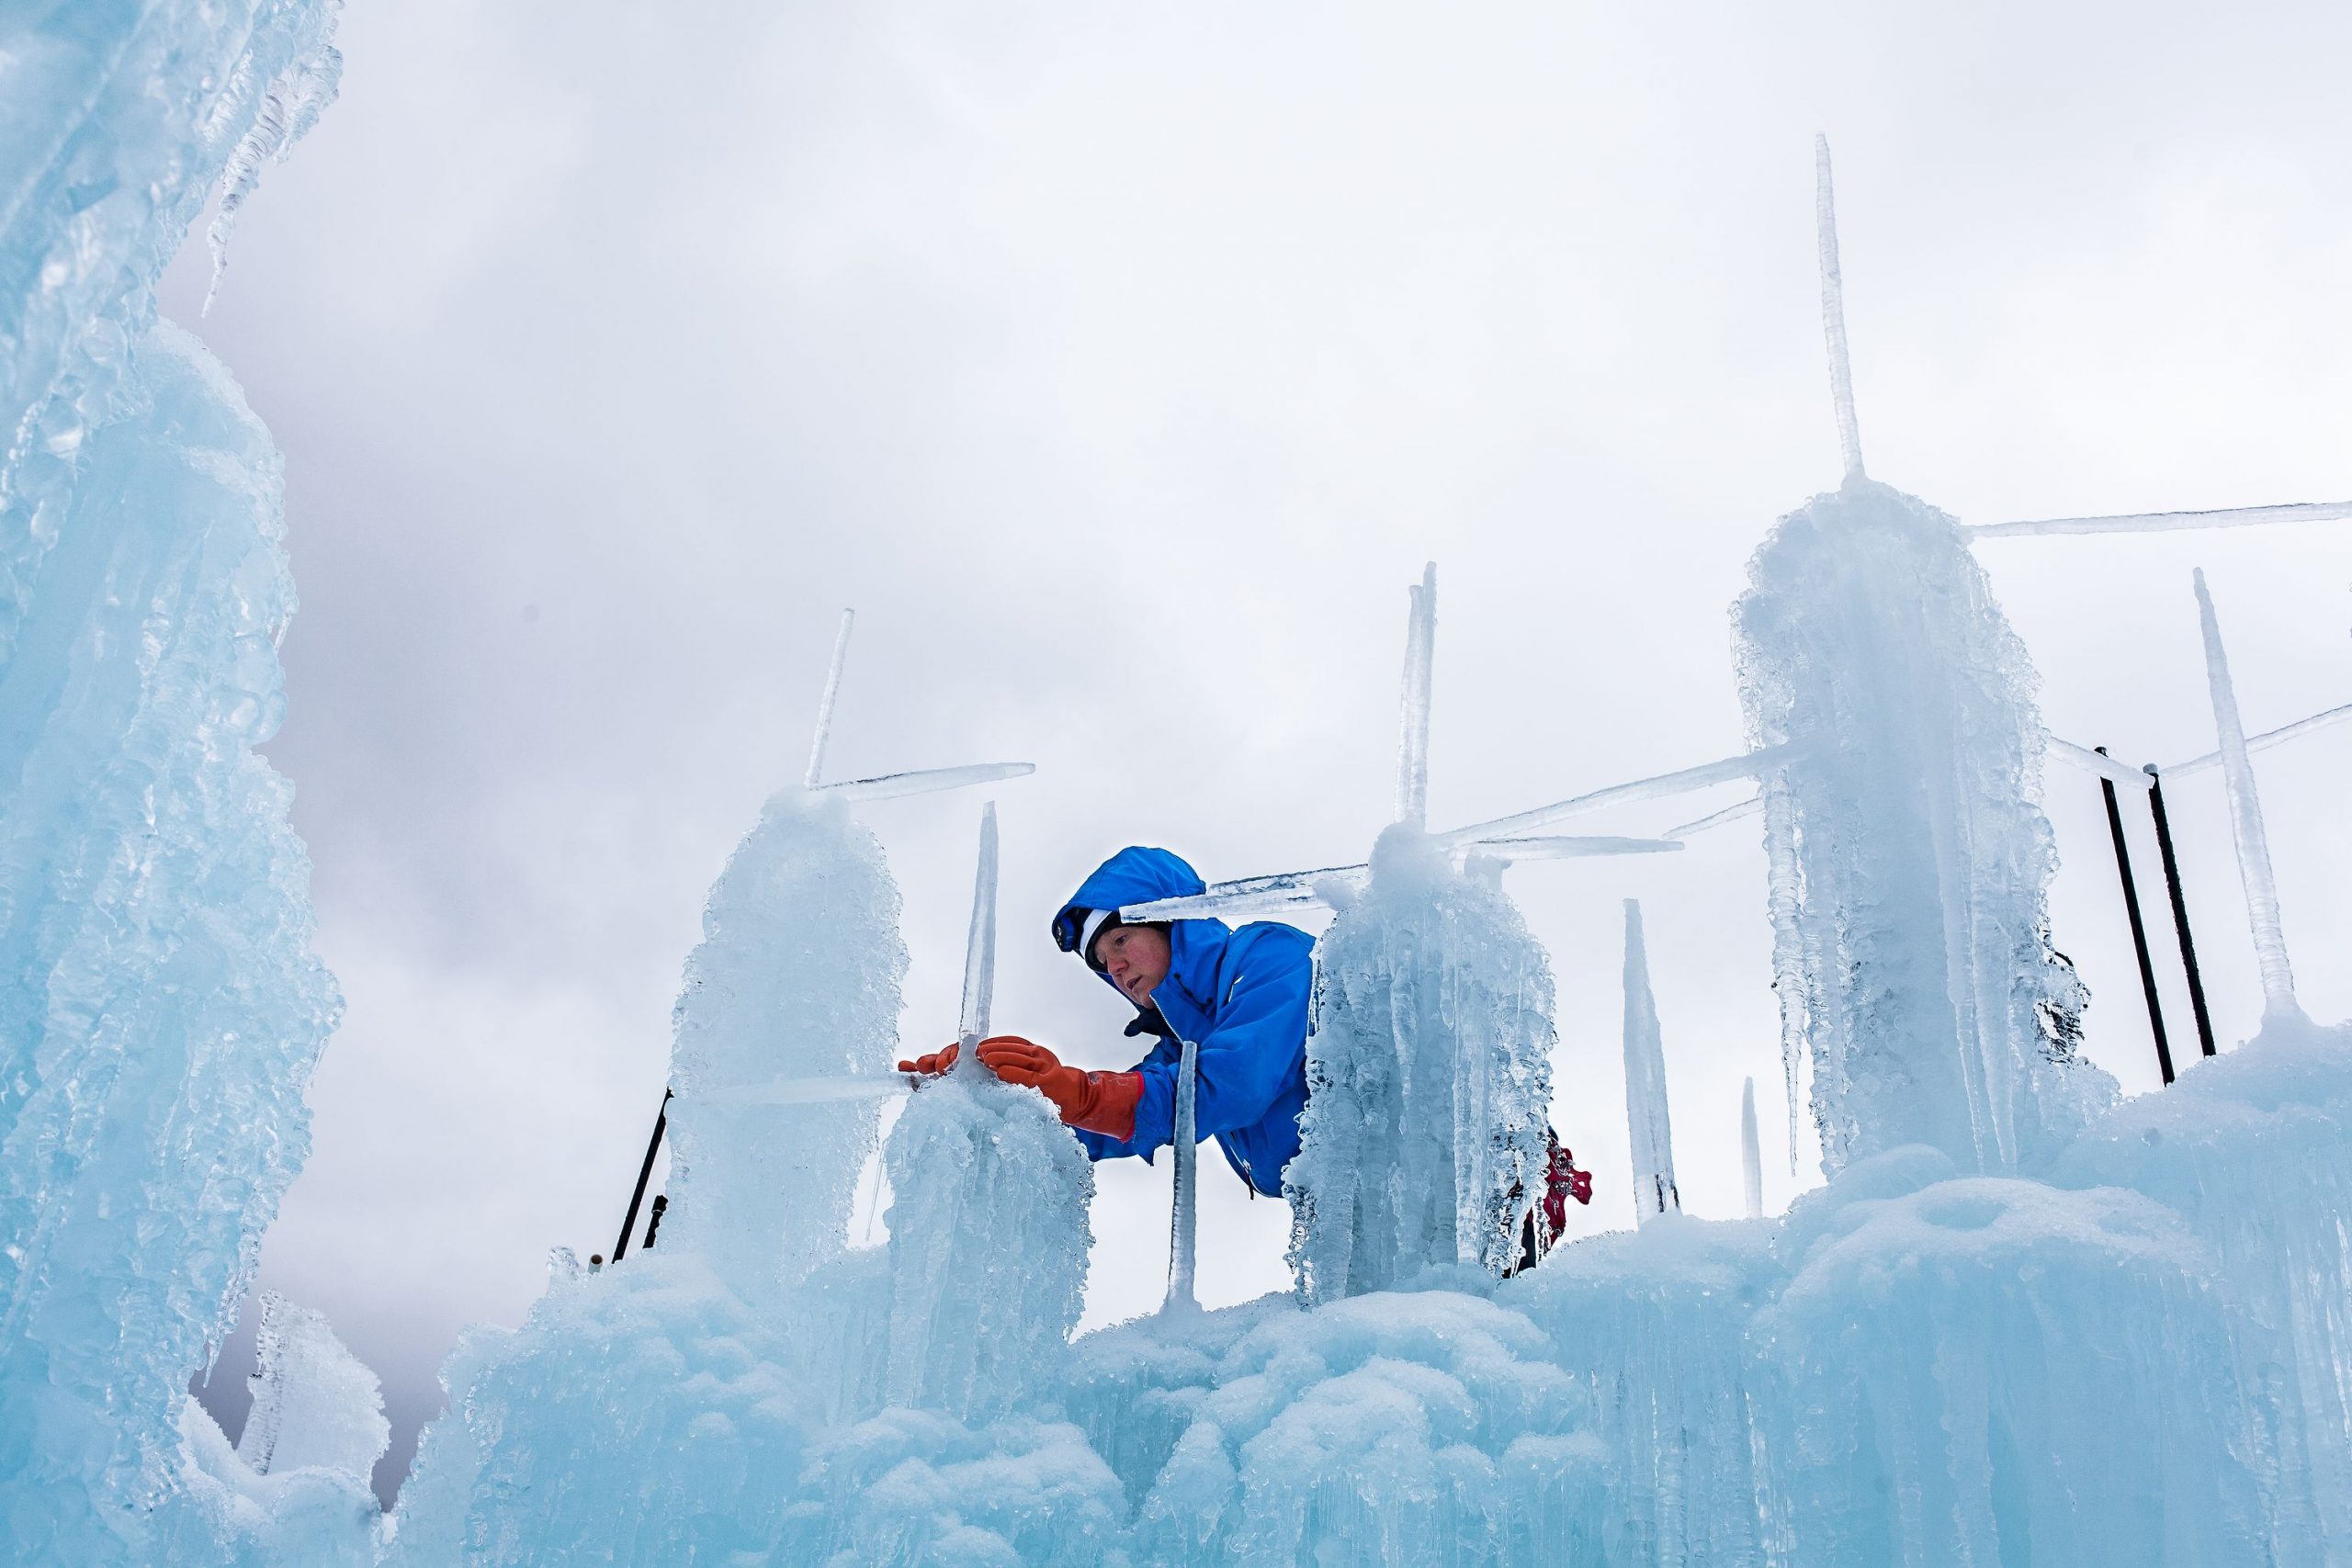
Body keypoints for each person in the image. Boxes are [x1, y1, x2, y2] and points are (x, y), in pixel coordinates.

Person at [899, 845, 1591, 1248]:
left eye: (1120, 940)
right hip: (1372, 1220)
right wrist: (1000, 1101)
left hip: (1465, 1179)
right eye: (1101, 960)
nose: (1113, 965)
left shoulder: (1267, 954)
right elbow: (1129, 1119)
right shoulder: (1185, 1042)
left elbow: (1234, 1085)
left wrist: (1082, 1091)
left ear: (1173, 921)